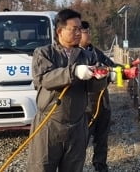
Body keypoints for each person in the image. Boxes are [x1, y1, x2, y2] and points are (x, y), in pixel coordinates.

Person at [27, 9, 108, 172]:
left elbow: (92, 88)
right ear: (60, 31)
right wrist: (75, 72)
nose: (79, 33)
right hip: (49, 125)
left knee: (73, 168)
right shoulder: (44, 53)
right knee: (41, 167)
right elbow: (45, 79)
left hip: (78, 124)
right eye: (74, 29)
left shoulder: (87, 56)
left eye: (81, 29)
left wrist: (103, 78)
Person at [80, 21, 117, 172]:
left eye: (89, 31)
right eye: (86, 32)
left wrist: (127, 70)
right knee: (80, 141)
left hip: (103, 103)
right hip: (85, 107)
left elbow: (112, 66)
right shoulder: (74, 55)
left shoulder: (96, 52)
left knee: (102, 140)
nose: (89, 34)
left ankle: (101, 167)